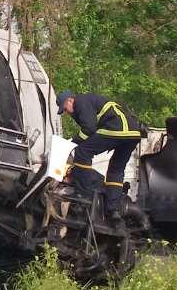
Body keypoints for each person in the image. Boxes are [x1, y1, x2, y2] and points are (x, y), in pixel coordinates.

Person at [56, 91, 144, 225]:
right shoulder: (89, 101)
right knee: (116, 169)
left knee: (82, 152)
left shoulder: (81, 101)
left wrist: (71, 143)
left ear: (70, 100)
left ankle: (82, 195)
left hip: (116, 128)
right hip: (133, 133)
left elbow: (89, 128)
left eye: (65, 109)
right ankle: (113, 210)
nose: (67, 113)